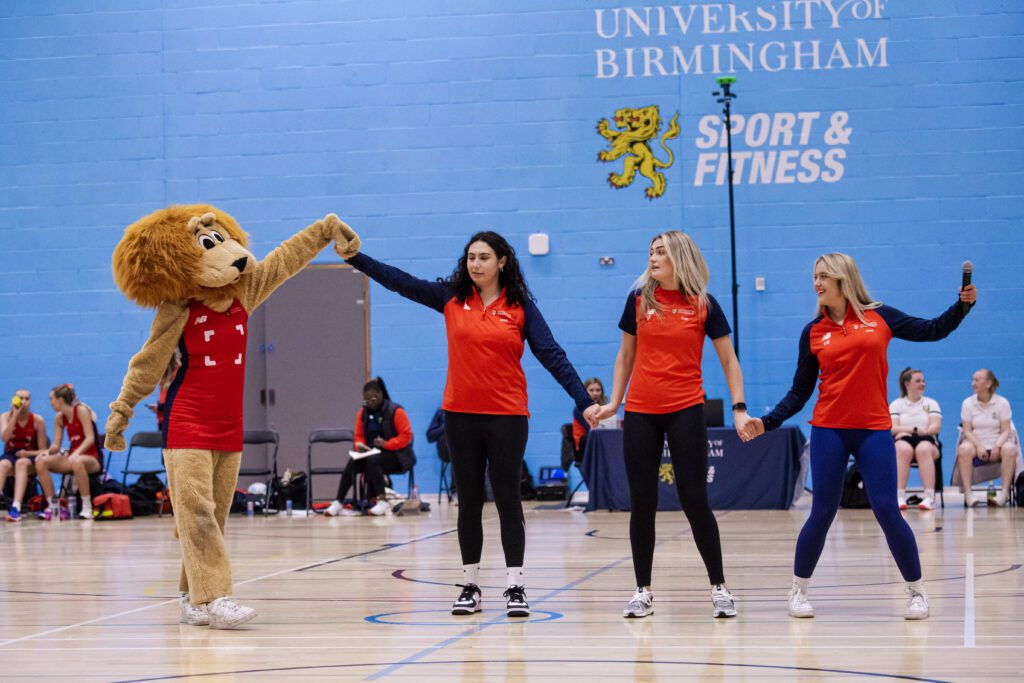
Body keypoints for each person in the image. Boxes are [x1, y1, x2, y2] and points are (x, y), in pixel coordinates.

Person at [343, 229, 600, 617]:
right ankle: (471, 584)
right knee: (470, 503)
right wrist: (356, 258)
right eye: (470, 257)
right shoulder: (451, 298)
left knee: (508, 500)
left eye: (483, 257)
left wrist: (583, 402)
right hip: (460, 417)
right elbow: (400, 281)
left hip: (508, 417)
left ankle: (515, 586)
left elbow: (552, 354)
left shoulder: (520, 306)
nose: (475, 264)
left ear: (502, 262)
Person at [745, 253, 976, 621]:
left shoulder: (879, 316)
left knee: (886, 509)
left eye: (824, 276)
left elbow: (932, 329)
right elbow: (799, 391)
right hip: (829, 431)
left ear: (843, 278)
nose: (817, 283)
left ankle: (917, 592)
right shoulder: (813, 332)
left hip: (874, 431)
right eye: (815, 277)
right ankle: (798, 591)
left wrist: (960, 308)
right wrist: (768, 421)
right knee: (822, 511)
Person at [592, 231, 752, 620]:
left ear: (680, 256)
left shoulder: (703, 304)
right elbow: (625, 355)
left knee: (694, 499)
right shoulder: (638, 301)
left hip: (686, 409)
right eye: (650, 251)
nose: (653, 257)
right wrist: (614, 402)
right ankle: (642, 590)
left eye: (661, 251)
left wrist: (740, 408)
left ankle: (719, 587)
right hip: (642, 411)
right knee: (642, 502)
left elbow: (730, 361)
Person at [324, 377, 415, 517]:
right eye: (366, 400)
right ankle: (339, 502)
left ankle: (382, 501)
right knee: (353, 462)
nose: (369, 403)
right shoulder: (363, 413)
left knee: (373, 460)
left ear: (380, 395)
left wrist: (387, 444)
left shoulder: (396, 411)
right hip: (371, 454)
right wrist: (359, 445)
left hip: (397, 456)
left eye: (372, 399)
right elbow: (359, 435)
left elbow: (406, 436)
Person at [34, 384, 103, 520]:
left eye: (51, 399)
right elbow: (56, 445)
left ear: (60, 400)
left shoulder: (81, 411)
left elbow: (90, 438)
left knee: (77, 461)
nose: (50, 403)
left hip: (92, 458)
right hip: (73, 458)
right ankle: (53, 506)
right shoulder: (59, 418)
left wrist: (76, 453)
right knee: (41, 462)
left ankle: (87, 507)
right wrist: (48, 452)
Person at [957, 368, 1014, 507]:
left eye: (977, 380)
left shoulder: (1002, 403)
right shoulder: (967, 403)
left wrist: (997, 446)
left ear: (988, 383)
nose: (973, 383)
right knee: (964, 449)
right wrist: (979, 446)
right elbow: (967, 431)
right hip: (976, 443)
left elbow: (1006, 430)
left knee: (1010, 448)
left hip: (997, 442)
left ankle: (1004, 493)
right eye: (972, 380)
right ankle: (968, 493)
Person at [889, 368, 942, 511]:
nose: (922, 384)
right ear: (907, 384)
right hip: (905, 441)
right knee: (902, 449)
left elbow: (935, 427)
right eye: (918, 381)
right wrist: (915, 429)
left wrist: (915, 431)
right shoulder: (896, 404)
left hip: (928, 442)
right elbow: (893, 428)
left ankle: (930, 497)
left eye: (923, 381)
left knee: (923, 449)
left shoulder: (931, 403)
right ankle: (899, 496)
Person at [1, 389, 48, 522]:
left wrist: (27, 454)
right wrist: (14, 416)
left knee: (21, 463)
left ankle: (16, 507)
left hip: (30, 456)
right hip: (11, 454)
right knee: (2, 464)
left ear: (30, 401)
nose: (23, 402)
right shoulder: (6, 416)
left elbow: (43, 450)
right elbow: (5, 438)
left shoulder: (37, 420)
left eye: (26, 399)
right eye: (20, 398)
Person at [572, 377, 608, 454]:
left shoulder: (605, 407)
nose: (595, 393)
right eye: (591, 390)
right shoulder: (579, 409)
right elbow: (592, 428)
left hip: (600, 441)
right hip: (584, 445)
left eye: (598, 390)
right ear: (585, 392)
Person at [427, 406, 455, 497]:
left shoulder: (468, 410)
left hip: (467, 448)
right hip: (446, 449)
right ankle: (455, 490)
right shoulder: (441, 412)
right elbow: (430, 436)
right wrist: (446, 427)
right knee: (457, 451)